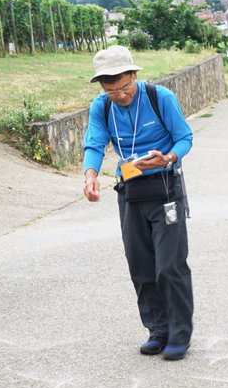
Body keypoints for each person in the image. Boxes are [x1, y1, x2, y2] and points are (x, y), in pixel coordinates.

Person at [83, 45, 195, 361]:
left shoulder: (161, 98)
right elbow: (94, 143)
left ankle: (178, 332)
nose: (120, 95)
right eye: (111, 90)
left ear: (134, 74)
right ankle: (157, 329)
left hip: (165, 186)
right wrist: (90, 175)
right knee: (141, 264)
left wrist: (169, 156)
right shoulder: (101, 107)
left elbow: (184, 137)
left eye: (125, 87)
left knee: (169, 264)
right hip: (130, 190)